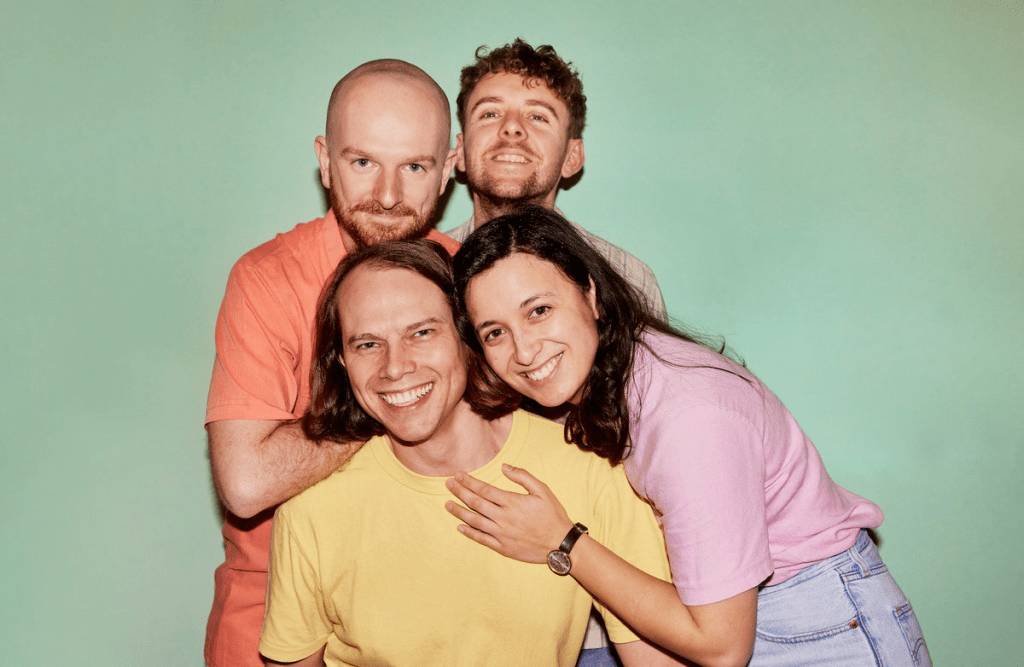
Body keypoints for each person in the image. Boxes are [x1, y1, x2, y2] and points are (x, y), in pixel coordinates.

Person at [446, 205, 932, 667]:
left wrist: (563, 542)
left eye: (538, 311)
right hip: (745, 616)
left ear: (590, 295)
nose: (524, 351)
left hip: (823, 631)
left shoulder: (688, 418)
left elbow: (722, 647)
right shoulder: (608, 371)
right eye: (495, 333)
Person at [259, 239, 683, 667]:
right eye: (367, 345)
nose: (395, 367)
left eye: (422, 333)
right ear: (341, 361)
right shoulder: (311, 509)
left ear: (468, 338)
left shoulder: (589, 466)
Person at [203, 60, 461, 667]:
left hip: (425, 616)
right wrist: (397, 397)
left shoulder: (469, 276)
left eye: (415, 167)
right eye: (363, 162)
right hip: (269, 618)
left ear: (449, 169)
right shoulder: (268, 279)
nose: (389, 196)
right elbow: (246, 483)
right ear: (324, 161)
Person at [447, 38, 666, 319]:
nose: (511, 127)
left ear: (571, 157)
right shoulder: (421, 272)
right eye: (490, 113)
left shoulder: (630, 282)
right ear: (461, 152)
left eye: (538, 117)